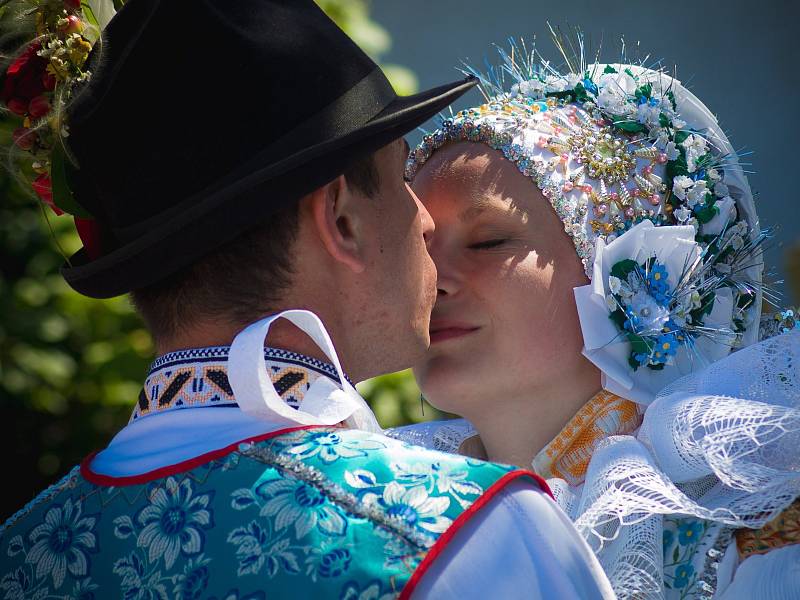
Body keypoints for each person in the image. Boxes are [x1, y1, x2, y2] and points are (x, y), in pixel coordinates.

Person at [0, 2, 615, 598]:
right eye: (403, 175)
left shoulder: (22, 554)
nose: (426, 221)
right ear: (342, 220)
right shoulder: (463, 533)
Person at [395, 39, 800, 599]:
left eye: (487, 242)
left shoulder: (755, 531)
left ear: (624, 267)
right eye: (419, 247)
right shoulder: (386, 508)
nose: (433, 278)